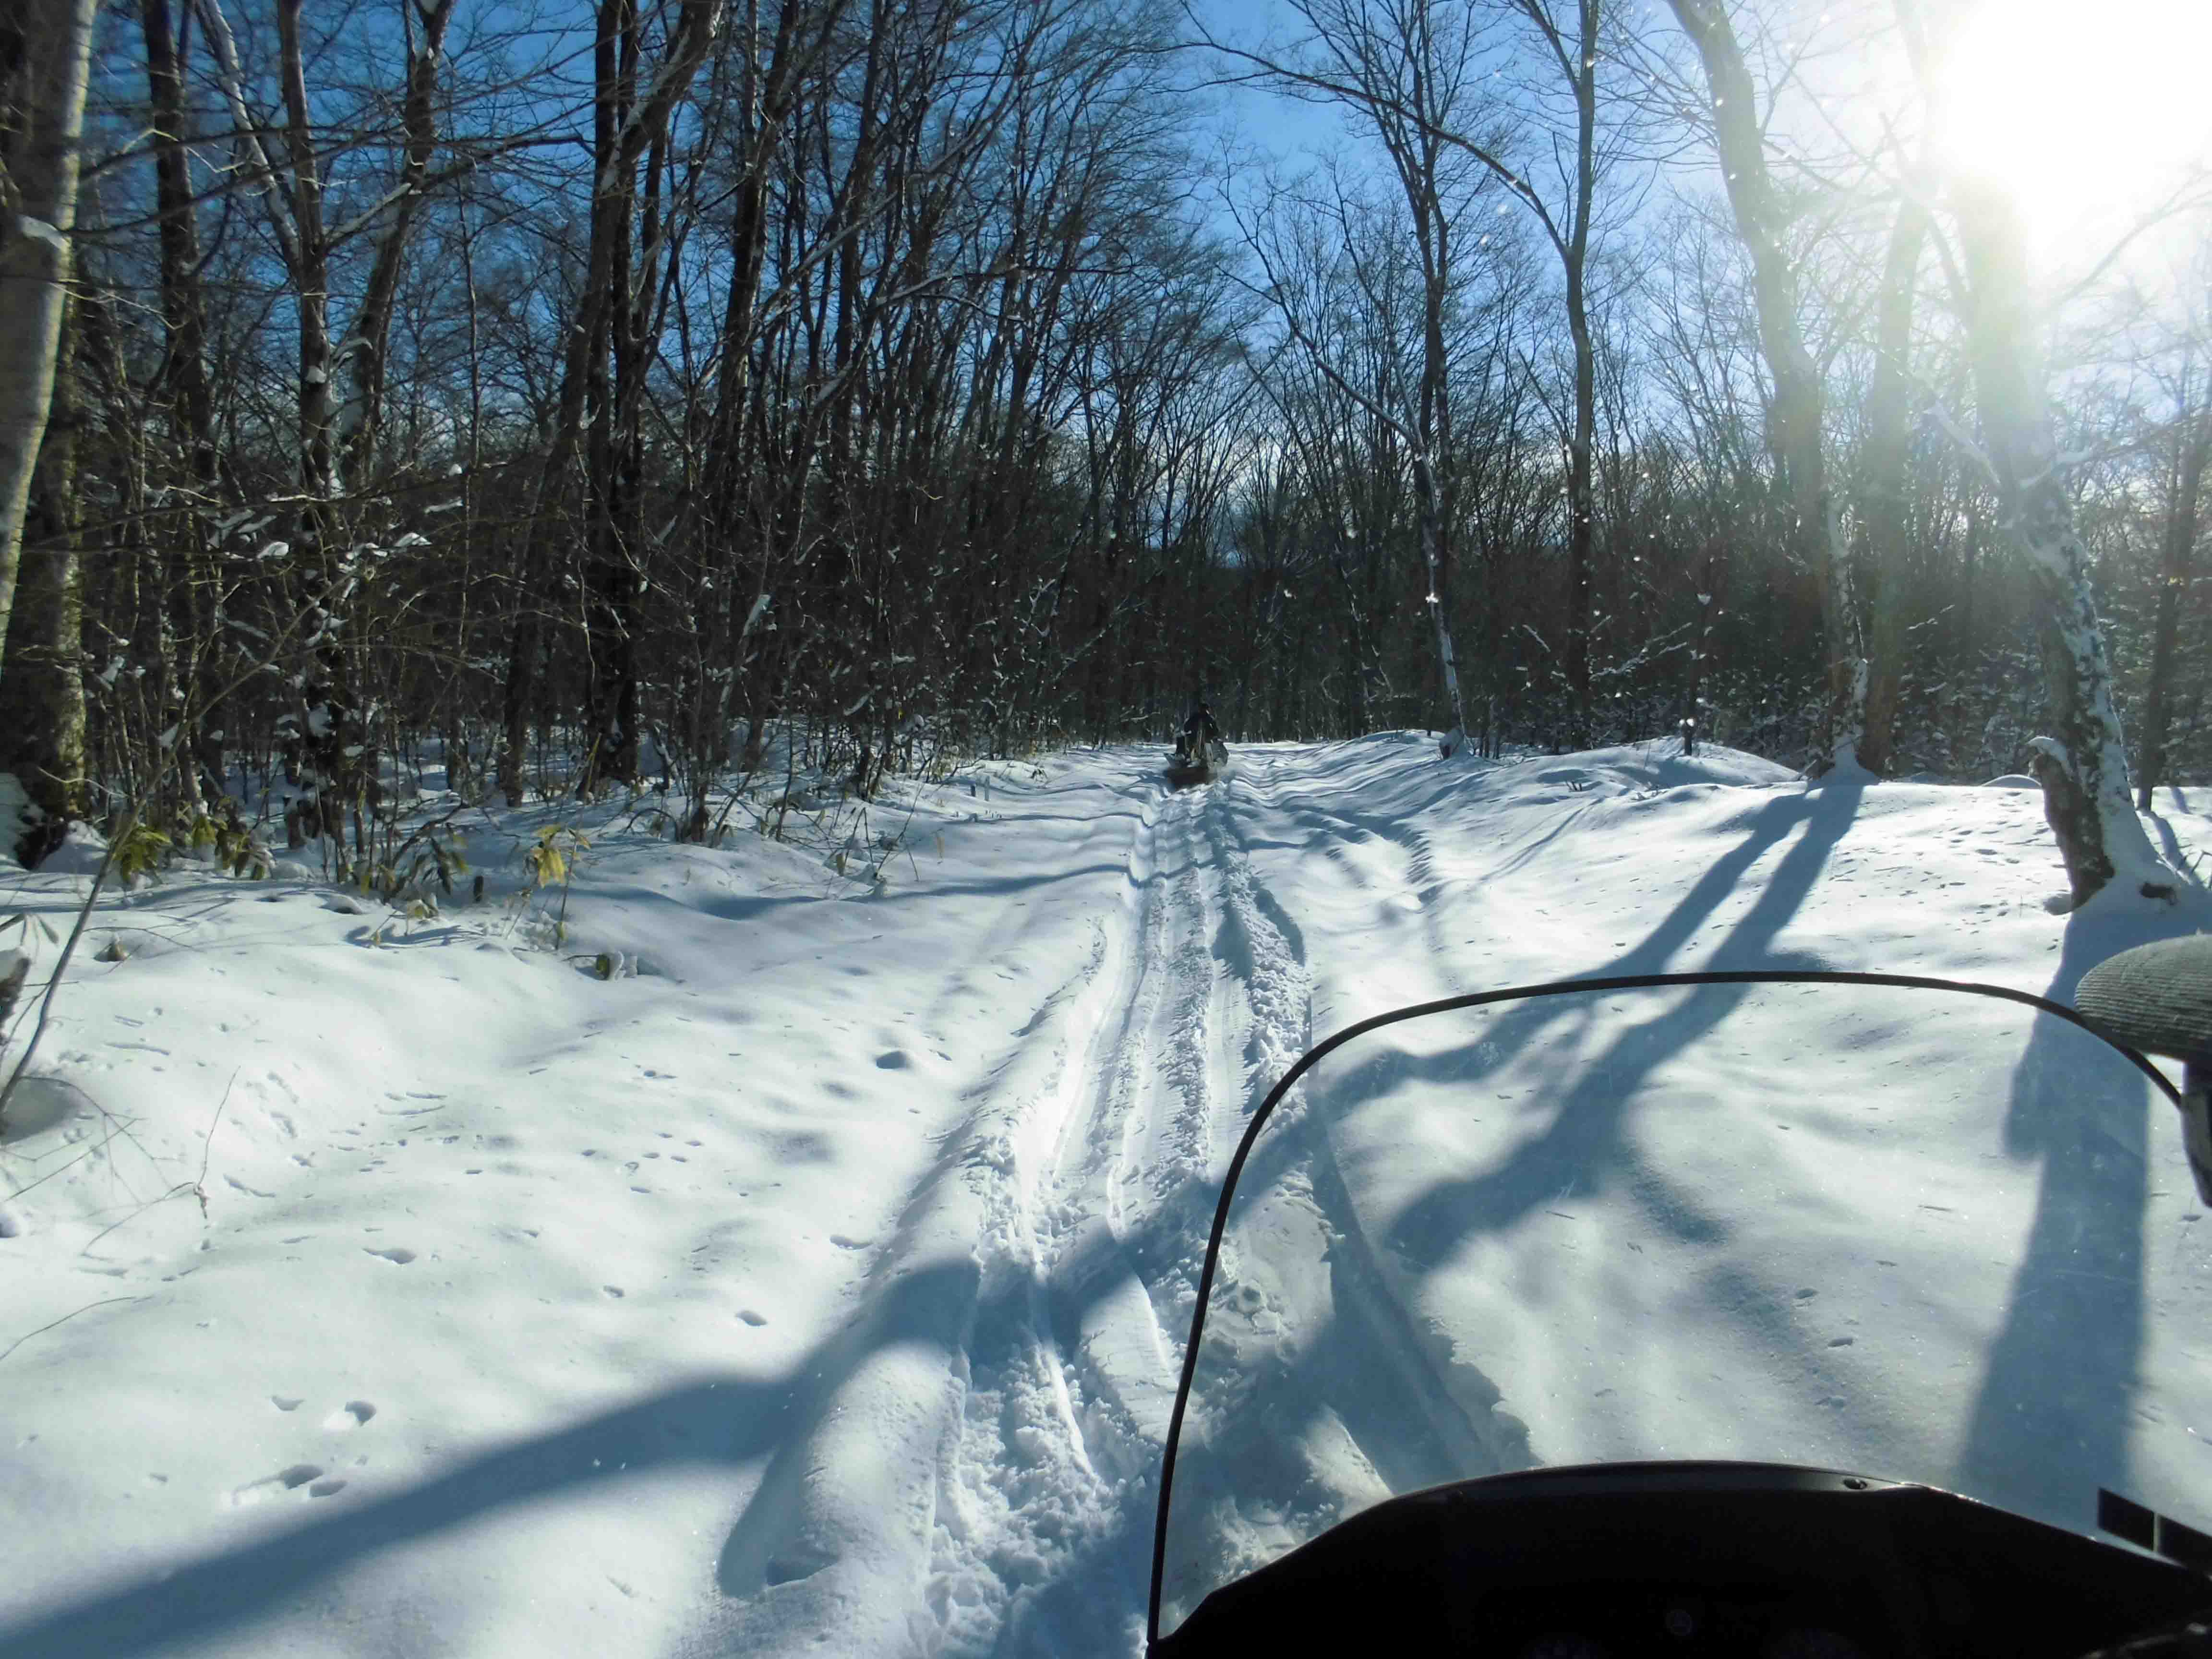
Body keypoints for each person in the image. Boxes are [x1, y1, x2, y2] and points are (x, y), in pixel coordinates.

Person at [1178, 699, 1221, 763]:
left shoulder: (1209, 718)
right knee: (1182, 738)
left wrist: (1214, 735)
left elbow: (1216, 730)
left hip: (1206, 739)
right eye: (1203, 709)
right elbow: (1186, 727)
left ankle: (1210, 758)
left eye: (1205, 710)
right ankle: (1183, 756)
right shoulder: (1197, 717)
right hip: (1197, 737)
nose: (1204, 711)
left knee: (1213, 744)